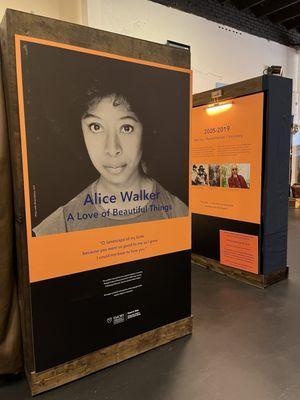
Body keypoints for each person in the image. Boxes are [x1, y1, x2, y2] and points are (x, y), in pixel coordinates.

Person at [33, 92, 188, 236]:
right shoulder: (59, 227)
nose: (112, 149)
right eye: (96, 127)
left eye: (126, 128)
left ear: (147, 129)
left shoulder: (179, 212)